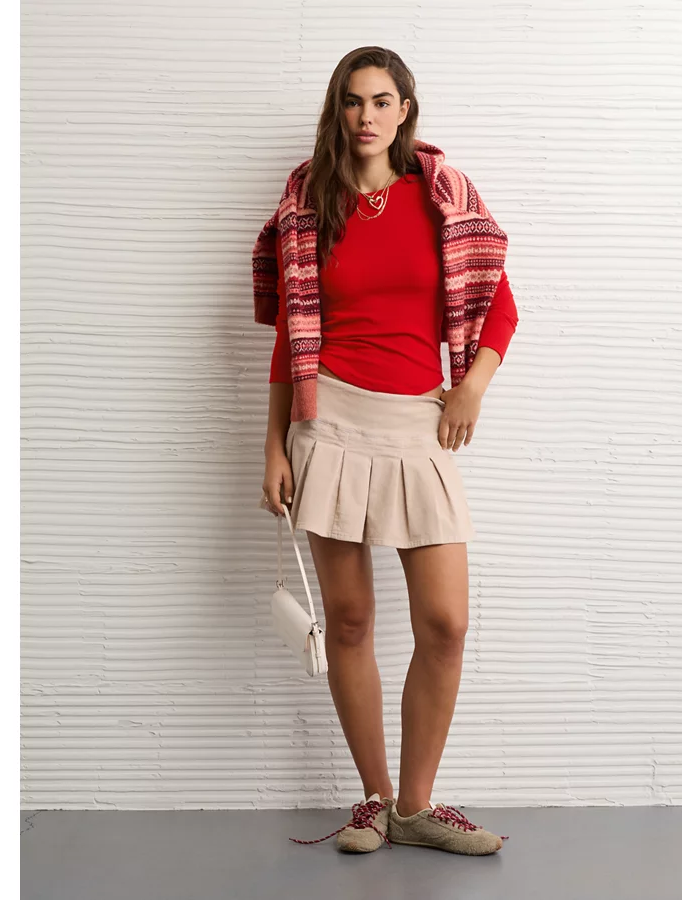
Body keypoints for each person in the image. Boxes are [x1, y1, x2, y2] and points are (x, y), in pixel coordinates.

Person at [254, 47, 516, 856]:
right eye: (351, 101)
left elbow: (500, 307)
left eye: (380, 101)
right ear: (338, 112)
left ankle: (417, 805)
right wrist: (274, 446)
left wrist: (471, 387)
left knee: (446, 622)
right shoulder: (309, 205)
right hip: (327, 419)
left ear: (405, 110)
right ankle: (374, 800)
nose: (365, 116)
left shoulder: (444, 197)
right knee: (350, 619)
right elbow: (289, 334)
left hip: (416, 425)